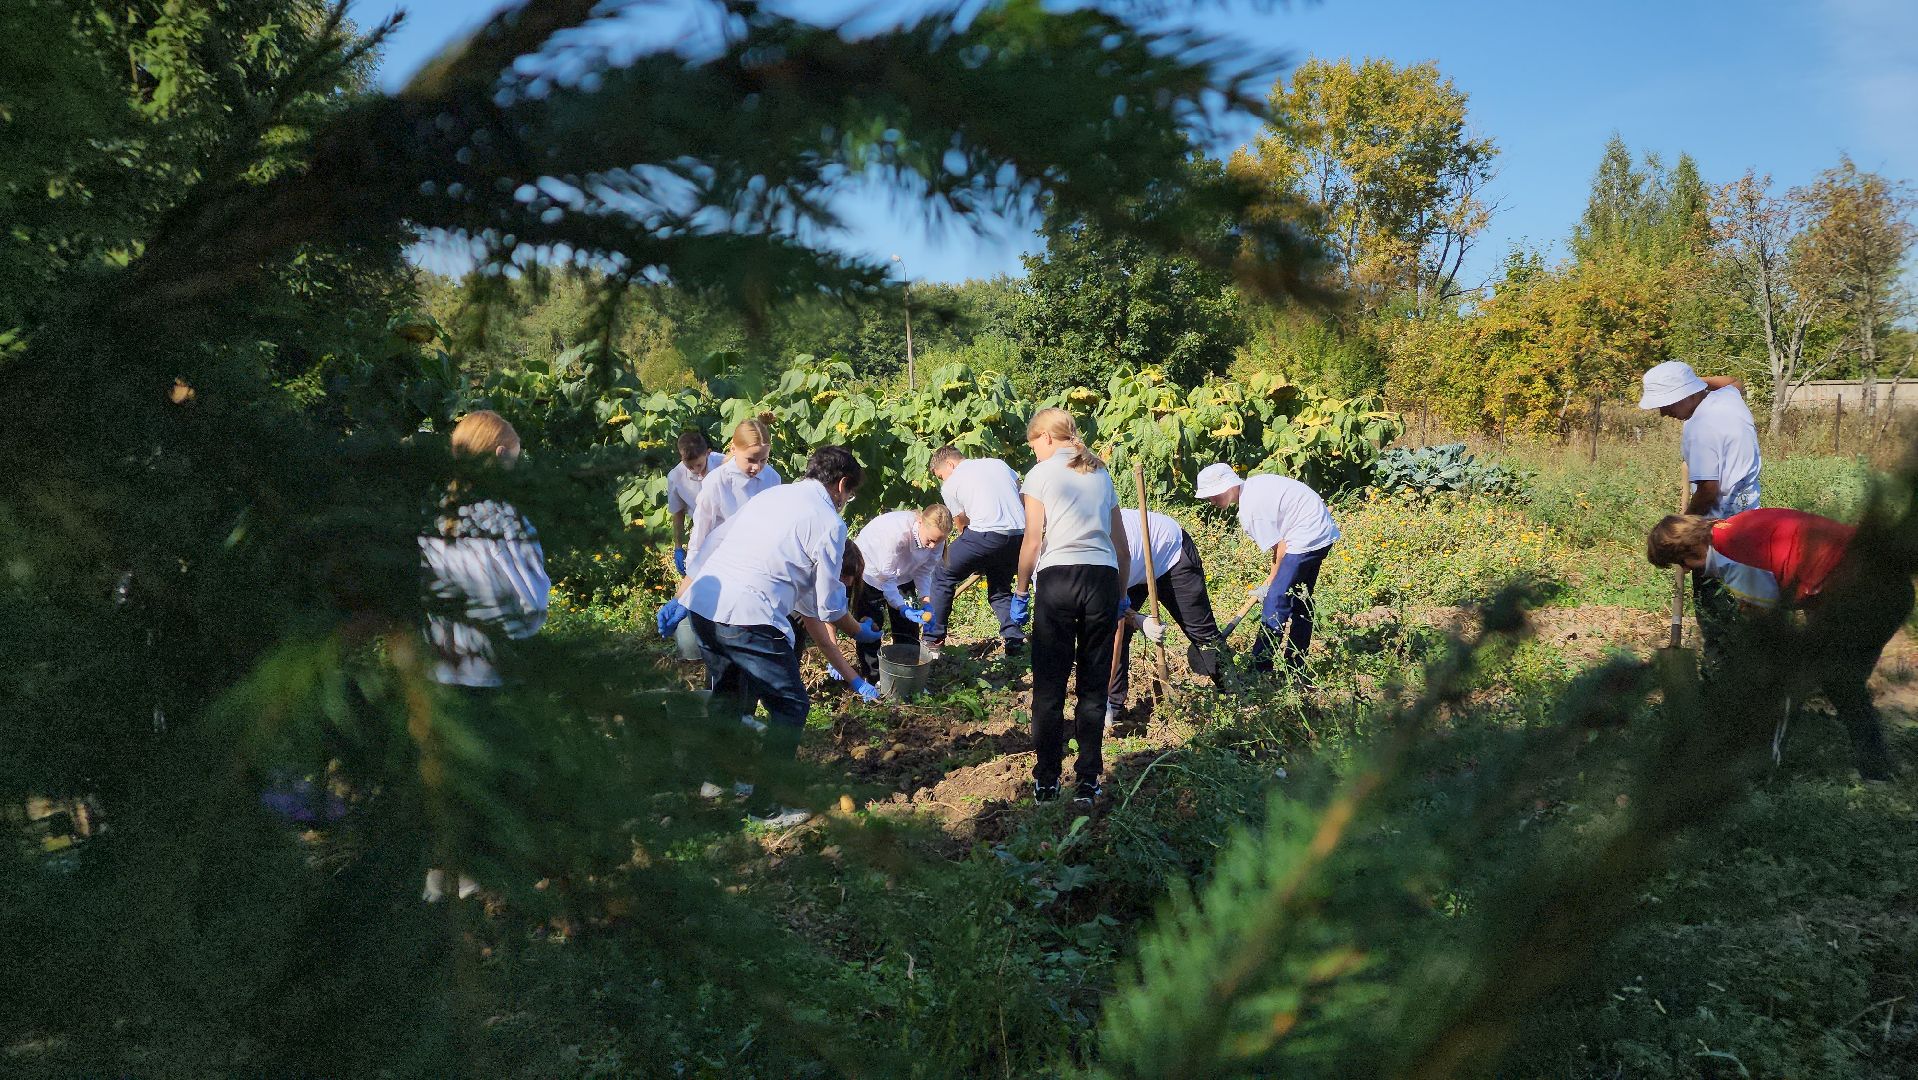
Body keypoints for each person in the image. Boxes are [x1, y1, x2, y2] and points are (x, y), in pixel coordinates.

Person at [680, 446, 883, 826]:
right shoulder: (829, 522)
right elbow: (828, 605)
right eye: (850, 494)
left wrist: (683, 593)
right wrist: (861, 631)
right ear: (842, 485)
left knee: (728, 694)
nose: (847, 501)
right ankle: (765, 807)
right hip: (746, 615)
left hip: (705, 603)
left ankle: (718, 780)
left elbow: (715, 540)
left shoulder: (773, 495)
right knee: (790, 706)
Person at [1646, 509, 1906, 781]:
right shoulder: (1733, 527)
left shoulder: (1730, 557)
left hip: (1872, 594)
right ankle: (1876, 765)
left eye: (1682, 563)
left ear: (1688, 554)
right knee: (1842, 681)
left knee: (1797, 681)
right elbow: (1800, 574)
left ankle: (1762, 770)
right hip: (1885, 582)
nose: (1688, 570)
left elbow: (1771, 628)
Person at [417, 410, 551, 902]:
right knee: (493, 769)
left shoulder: (438, 513)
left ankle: (440, 874)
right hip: (490, 665)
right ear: (499, 455)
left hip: (439, 659)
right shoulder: (501, 518)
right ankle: (482, 874)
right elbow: (531, 598)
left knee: (449, 770)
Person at [1011, 409, 1129, 804]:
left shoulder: (1040, 475)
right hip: (1102, 579)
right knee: (1093, 687)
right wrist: (1121, 595)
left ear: (1046, 437)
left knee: (1049, 687)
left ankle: (1046, 781)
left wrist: (1021, 591)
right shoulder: (1100, 473)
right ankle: (1088, 781)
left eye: (1034, 446)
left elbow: (1032, 540)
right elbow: (1122, 546)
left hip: (1059, 578)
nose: (1034, 454)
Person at [1638, 360, 1762, 668]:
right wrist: (1691, 382)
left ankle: (1721, 675)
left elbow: (1708, 492)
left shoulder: (1701, 430)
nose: (1663, 413)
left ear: (1686, 395)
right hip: (1750, 524)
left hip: (1714, 536)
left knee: (1716, 614)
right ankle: (1748, 666)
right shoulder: (1727, 399)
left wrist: (1680, 528)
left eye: (1667, 403)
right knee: (1748, 605)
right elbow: (1733, 380)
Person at [1196, 463, 1339, 677]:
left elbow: (1282, 548)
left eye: (1214, 494)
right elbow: (1278, 546)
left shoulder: (1251, 510)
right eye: (1208, 497)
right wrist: (1273, 579)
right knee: (1300, 599)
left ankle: (1259, 670)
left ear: (1228, 486)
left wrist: (1272, 583)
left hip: (1307, 537)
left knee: (1275, 602)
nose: (1212, 501)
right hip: (1321, 532)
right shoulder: (1254, 488)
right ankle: (1296, 666)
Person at [1107, 509, 1225, 729]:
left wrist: (1134, 618)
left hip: (1168, 552)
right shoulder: (1073, 559)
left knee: (1202, 633)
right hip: (1133, 564)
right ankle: (1112, 706)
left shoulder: (1105, 554)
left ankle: (1235, 695)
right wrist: (1139, 620)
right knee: (1114, 633)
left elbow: (1114, 608)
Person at [926, 446, 1029, 657]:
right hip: (1019, 536)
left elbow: (961, 524)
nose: (943, 481)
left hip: (985, 535)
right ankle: (1014, 640)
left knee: (942, 574)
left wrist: (976, 555)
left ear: (950, 464)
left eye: (941, 476)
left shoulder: (951, 484)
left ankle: (932, 640)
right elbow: (1020, 497)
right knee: (1000, 591)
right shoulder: (999, 464)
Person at [852, 505, 953, 678]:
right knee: (872, 626)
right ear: (920, 522)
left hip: (904, 574)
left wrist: (926, 601)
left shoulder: (937, 539)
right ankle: (873, 677)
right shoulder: (895, 535)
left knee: (907, 628)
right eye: (930, 540)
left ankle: (906, 674)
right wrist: (902, 607)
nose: (932, 546)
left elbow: (924, 572)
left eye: (938, 542)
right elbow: (887, 580)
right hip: (872, 573)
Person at [686, 412, 782, 567]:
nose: (757, 467)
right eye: (750, 460)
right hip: (723, 562)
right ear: (733, 449)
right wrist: (692, 569)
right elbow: (701, 532)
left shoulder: (772, 478)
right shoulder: (717, 481)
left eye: (763, 460)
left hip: (759, 561)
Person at [666, 430, 724, 574]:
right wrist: (678, 547)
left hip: (730, 526)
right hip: (704, 535)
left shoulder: (723, 463)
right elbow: (678, 513)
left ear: (708, 453)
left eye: (699, 465)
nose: (695, 470)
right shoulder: (676, 477)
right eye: (690, 466)